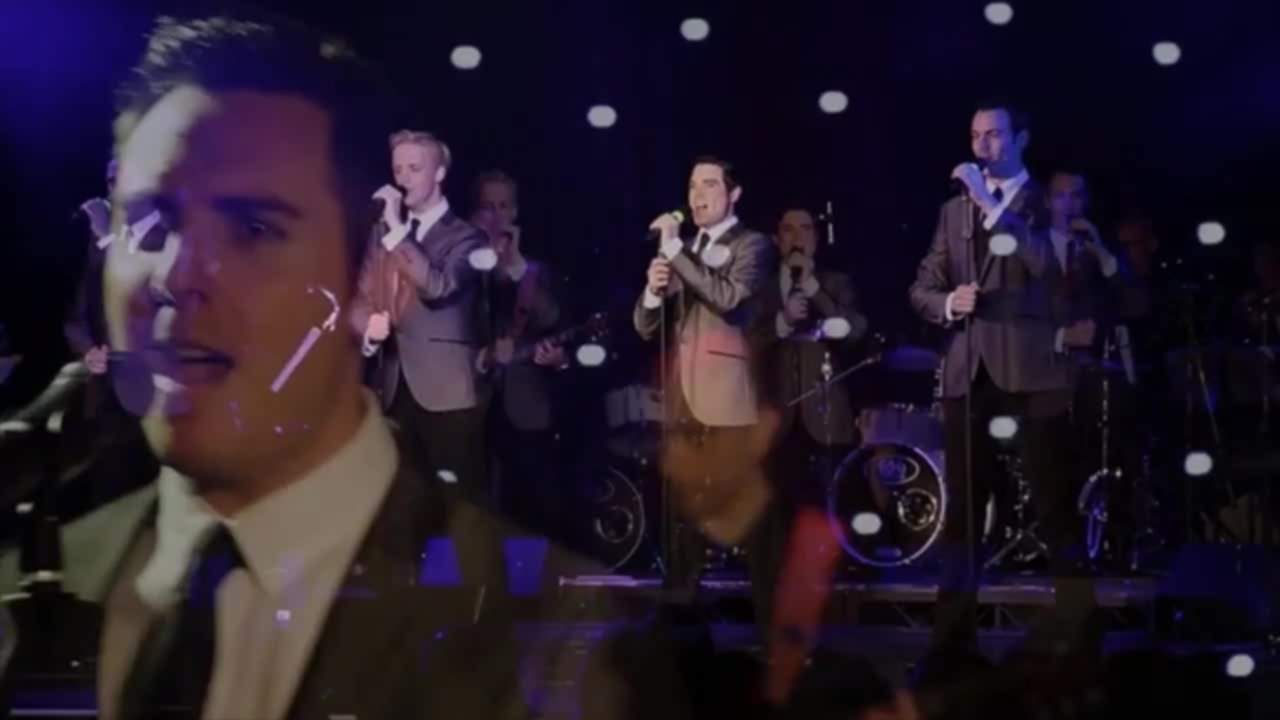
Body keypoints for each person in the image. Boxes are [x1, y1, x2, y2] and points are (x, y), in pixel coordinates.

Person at [0, 11, 617, 718]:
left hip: (450, 387)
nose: (178, 273)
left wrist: (396, 238)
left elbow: (446, 288)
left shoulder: (457, 235)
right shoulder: (68, 574)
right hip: (391, 379)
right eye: (153, 220)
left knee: (454, 515)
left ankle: (459, 616)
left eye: (252, 227)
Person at [907, 103, 1097, 683]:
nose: (982, 145)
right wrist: (947, 303)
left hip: (1034, 372)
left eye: (994, 134)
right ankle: (950, 647)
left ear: (1021, 139)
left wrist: (991, 206)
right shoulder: (952, 212)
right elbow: (922, 284)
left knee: (1054, 507)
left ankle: (1080, 641)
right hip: (970, 373)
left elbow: (1046, 266)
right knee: (964, 515)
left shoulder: (1045, 203)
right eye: (975, 135)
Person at [633, 156, 780, 626]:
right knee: (682, 522)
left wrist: (676, 252)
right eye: (693, 184)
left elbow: (729, 299)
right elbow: (645, 326)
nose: (698, 194)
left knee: (753, 523)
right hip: (684, 399)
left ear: (733, 194)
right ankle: (679, 631)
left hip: (731, 400)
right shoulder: (684, 249)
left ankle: (775, 638)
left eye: (710, 184)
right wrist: (653, 292)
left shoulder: (753, 244)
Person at [352, 129, 490, 503]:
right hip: (395, 388)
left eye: (414, 168)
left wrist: (397, 231)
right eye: (398, 169)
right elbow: (361, 298)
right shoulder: (382, 233)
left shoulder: (468, 238)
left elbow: (438, 286)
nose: (403, 179)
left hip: (448, 393)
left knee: (459, 506)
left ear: (439, 173)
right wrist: (368, 331)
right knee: (404, 505)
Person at [470, 170, 571, 540]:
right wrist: (484, 356)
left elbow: (552, 317)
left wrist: (515, 266)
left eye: (503, 206)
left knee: (532, 516)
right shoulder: (462, 269)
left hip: (527, 411)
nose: (496, 216)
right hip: (473, 406)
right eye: (487, 206)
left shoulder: (534, 270)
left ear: (515, 212)